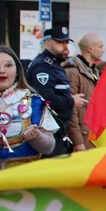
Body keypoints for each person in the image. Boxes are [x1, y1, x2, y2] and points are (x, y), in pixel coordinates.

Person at [0, 46, 58, 172]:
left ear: (17, 71)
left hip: (22, 178)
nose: (1, 70)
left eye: (8, 65)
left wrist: (37, 137)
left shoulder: (33, 101)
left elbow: (49, 148)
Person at [26, 25, 84, 156]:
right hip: (48, 130)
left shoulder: (55, 65)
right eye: (60, 42)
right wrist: (71, 101)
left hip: (60, 129)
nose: (65, 46)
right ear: (47, 44)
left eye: (66, 42)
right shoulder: (42, 66)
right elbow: (45, 98)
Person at [63, 32, 105, 151]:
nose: (103, 50)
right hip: (83, 138)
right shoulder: (73, 72)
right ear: (90, 49)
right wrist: (78, 141)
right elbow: (71, 109)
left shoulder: (92, 71)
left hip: (91, 135)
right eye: (101, 46)